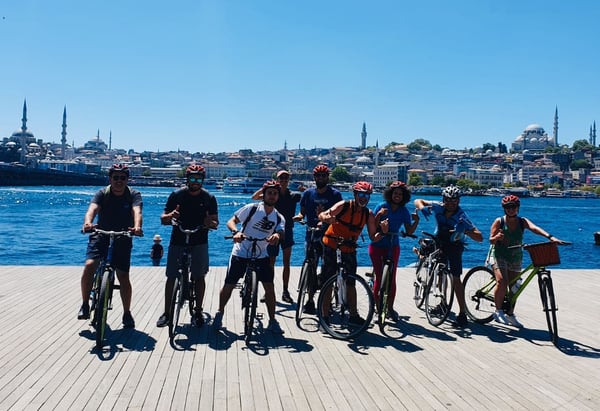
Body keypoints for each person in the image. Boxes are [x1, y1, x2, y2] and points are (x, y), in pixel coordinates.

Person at [212, 180, 286, 334]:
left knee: (269, 287)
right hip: (241, 251)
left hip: (262, 253)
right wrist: (236, 232)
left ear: (278, 197)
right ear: (263, 195)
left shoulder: (279, 217)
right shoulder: (251, 208)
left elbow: (281, 231)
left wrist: (277, 236)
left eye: (275, 194)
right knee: (229, 284)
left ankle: (273, 320)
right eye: (269, 193)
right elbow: (232, 221)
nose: (272, 196)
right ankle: (219, 313)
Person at [78, 163, 143, 329]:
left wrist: (137, 227)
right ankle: (85, 303)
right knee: (89, 265)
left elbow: (137, 212)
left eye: (123, 178)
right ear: (110, 179)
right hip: (101, 234)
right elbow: (92, 209)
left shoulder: (133, 195)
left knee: (123, 276)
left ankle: (127, 313)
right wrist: (88, 223)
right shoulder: (102, 193)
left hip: (123, 236)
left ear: (128, 179)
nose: (119, 181)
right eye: (116, 178)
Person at [489, 194, 566, 327]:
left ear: (518, 208)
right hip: (499, 255)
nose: (511, 209)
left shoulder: (522, 221)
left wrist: (550, 237)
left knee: (514, 288)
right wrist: (497, 237)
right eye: (508, 207)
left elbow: (534, 228)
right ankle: (498, 311)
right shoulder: (499, 221)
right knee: (502, 282)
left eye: (513, 207)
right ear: (504, 209)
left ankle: (510, 314)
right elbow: (490, 240)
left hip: (515, 256)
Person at [156, 164, 219, 328]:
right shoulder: (176, 195)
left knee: (199, 276)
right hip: (178, 238)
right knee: (171, 276)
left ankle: (198, 311)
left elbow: (215, 223)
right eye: (192, 178)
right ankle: (167, 312)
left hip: (199, 239)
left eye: (198, 179)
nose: (195, 182)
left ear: (202, 180)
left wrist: (208, 222)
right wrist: (171, 215)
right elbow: (163, 219)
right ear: (187, 179)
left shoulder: (209, 198)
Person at [414, 185, 483, 328]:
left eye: (455, 200)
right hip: (439, 241)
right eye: (448, 200)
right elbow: (418, 200)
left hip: (454, 246)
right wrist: (422, 207)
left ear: (459, 201)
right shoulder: (438, 207)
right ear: (443, 200)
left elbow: (480, 237)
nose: (451, 203)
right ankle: (442, 302)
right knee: (439, 274)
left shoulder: (462, 216)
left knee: (456, 278)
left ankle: (462, 313)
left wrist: (466, 230)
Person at [318, 181, 383, 324]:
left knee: (351, 282)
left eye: (366, 195)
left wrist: (383, 232)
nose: (363, 198)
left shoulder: (368, 214)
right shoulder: (343, 206)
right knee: (328, 280)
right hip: (332, 244)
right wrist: (326, 218)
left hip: (349, 248)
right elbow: (323, 214)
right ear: (354, 195)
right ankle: (324, 316)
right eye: (360, 194)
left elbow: (373, 237)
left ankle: (353, 315)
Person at [294, 164, 343, 314]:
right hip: (312, 234)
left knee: (329, 267)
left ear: (327, 177)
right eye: (318, 176)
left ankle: (326, 297)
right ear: (314, 178)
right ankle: (309, 299)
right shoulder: (308, 194)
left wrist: (327, 220)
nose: (321, 178)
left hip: (329, 236)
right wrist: (299, 217)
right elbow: (302, 213)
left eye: (323, 176)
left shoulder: (335, 195)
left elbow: (338, 215)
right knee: (311, 266)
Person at [368, 181, 420, 322]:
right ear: (390, 194)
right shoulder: (382, 206)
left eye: (400, 194)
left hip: (393, 246)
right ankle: (378, 310)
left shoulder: (403, 211)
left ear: (404, 197)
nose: (397, 196)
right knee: (380, 277)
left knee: (392, 279)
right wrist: (379, 215)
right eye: (395, 193)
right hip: (378, 245)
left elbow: (409, 231)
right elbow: (372, 224)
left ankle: (390, 308)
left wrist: (416, 221)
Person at [250, 169, 303, 304]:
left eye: (286, 178)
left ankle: (285, 291)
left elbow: (308, 198)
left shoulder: (293, 195)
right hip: (272, 232)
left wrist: (305, 190)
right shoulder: (273, 194)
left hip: (287, 231)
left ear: (288, 180)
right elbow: (254, 198)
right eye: (281, 178)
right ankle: (269, 291)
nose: (284, 181)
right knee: (270, 262)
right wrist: (264, 188)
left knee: (286, 262)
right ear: (278, 180)